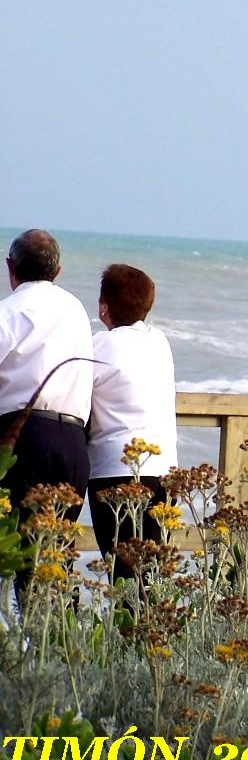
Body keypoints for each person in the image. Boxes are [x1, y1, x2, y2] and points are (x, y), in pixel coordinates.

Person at [0, 229, 94, 591]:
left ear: (10, 266)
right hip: (72, 442)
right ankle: (61, 644)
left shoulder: (10, 311)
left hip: (25, 437)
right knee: (57, 563)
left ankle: (28, 645)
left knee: (25, 558)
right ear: (58, 270)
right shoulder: (75, 310)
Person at [87, 264, 178, 581]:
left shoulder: (100, 345)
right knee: (153, 577)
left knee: (124, 577)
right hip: (164, 470)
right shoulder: (159, 341)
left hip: (116, 471)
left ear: (103, 307)